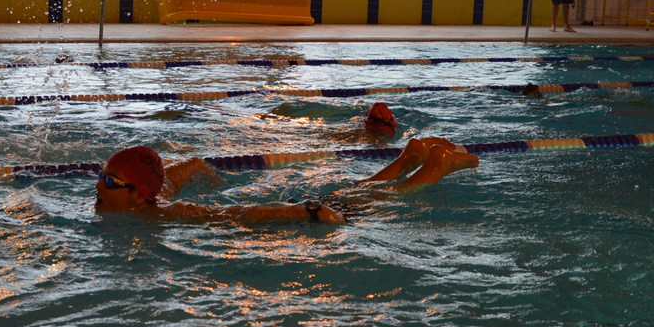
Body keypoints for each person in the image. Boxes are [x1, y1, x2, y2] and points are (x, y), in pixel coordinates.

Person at [94, 139, 479, 225]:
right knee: (357, 195)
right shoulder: (153, 194)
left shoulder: (164, 215)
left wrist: (302, 212)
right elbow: (186, 166)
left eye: (110, 182)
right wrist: (202, 172)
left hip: (312, 212)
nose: (98, 187)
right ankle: (406, 159)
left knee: (378, 202)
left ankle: (436, 166)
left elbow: (239, 215)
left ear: (138, 196)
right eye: (101, 177)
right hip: (312, 204)